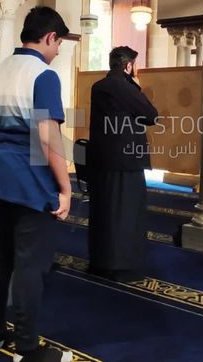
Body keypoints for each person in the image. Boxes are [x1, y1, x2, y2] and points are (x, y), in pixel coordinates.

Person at [0, 6, 73, 362]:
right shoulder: (43, 75)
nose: (56, 53)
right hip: (30, 175)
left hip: (0, 172)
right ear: (50, 37)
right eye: (58, 46)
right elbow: (47, 135)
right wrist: (65, 188)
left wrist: (0, 165)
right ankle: (27, 348)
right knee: (30, 265)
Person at [87, 46, 158, 282]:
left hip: (101, 159)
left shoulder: (99, 87)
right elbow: (150, 114)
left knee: (104, 212)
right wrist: (136, 85)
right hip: (126, 162)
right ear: (129, 66)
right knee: (125, 215)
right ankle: (122, 266)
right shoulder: (124, 86)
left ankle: (101, 261)